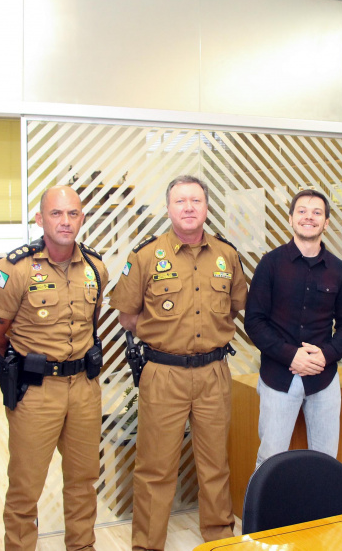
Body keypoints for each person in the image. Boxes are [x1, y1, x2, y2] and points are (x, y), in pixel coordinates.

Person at [110, 175, 247, 551]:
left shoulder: (227, 255)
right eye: (181, 201)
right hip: (163, 374)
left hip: (214, 373)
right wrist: (165, 340)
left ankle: (219, 538)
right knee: (155, 467)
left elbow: (238, 307)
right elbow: (127, 315)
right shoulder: (145, 255)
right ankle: (147, 545)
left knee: (215, 464)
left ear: (206, 207)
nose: (189, 207)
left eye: (196, 201)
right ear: (168, 208)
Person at [0, 185, 109, 551]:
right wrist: (28, 362)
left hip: (84, 388)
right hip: (36, 391)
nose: (65, 222)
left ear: (82, 218)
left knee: (84, 481)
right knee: (25, 487)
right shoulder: (15, 269)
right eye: (56, 213)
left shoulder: (96, 268)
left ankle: (82, 546)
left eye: (73, 214)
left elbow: (91, 323)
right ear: (40, 219)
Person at [245, 189, 342, 469]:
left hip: (323, 377)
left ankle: (319, 514)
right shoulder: (270, 264)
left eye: (317, 212)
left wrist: (326, 355)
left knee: (325, 460)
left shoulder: (338, 269)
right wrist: (290, 355)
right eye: (302, 211)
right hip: (278, 378)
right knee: (271, 458)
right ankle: (266, 513)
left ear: (327, 222)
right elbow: (254, 321)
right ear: (291, 219)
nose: (309, 217)